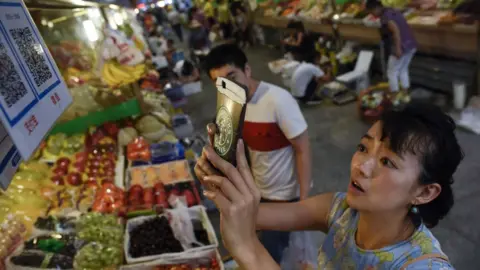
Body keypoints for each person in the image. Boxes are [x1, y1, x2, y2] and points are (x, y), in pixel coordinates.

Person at [195, 103, 463, 269]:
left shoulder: (423, 267)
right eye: (362, 148)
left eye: (387, 162)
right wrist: (223, 182)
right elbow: (251, 213)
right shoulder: (341, 210)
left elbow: (246, 233)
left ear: (425, 192)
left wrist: (247, 248)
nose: (362, 165)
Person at [198, 44, 312, 263]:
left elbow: (303, 149)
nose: (229, 85)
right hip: (256, 193)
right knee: (256, 246)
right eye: (220, 82)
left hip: (284, 196)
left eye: (233, 76)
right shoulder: (231, 107)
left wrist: (304, 202)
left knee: (268, 254)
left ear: (247, 70)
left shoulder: (278, 100)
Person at [366, 0, 417, 95]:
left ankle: (395, 96)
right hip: (410, 44)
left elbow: (396, 31)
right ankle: (405, 94)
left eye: (371, 12)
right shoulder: (393, 11)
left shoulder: (385, 16)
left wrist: (398, 48)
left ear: (376, 8)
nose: (372, 14)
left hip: (401, 46)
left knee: (392, 72)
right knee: (402, 69)